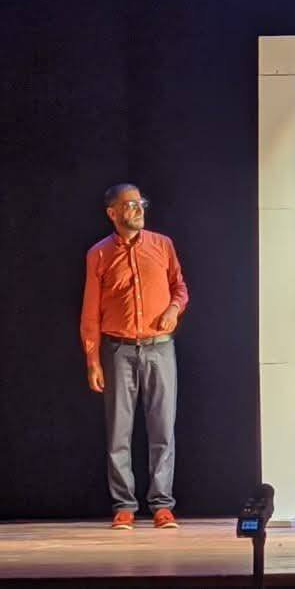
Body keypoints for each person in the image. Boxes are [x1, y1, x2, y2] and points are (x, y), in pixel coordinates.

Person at [80, 184, 189, 530]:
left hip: (160, 347)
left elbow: (180, 288)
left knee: (162, 429)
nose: (138, 209)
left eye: (140, 202)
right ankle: (124, 505)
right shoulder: (98, 254)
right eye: (129, 205)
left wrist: (173, 309)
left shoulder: (162, 245)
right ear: (112, 213)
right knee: (119, 432)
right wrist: (93, 360)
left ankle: (162, 505)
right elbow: (90, 312)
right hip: (118, 350)